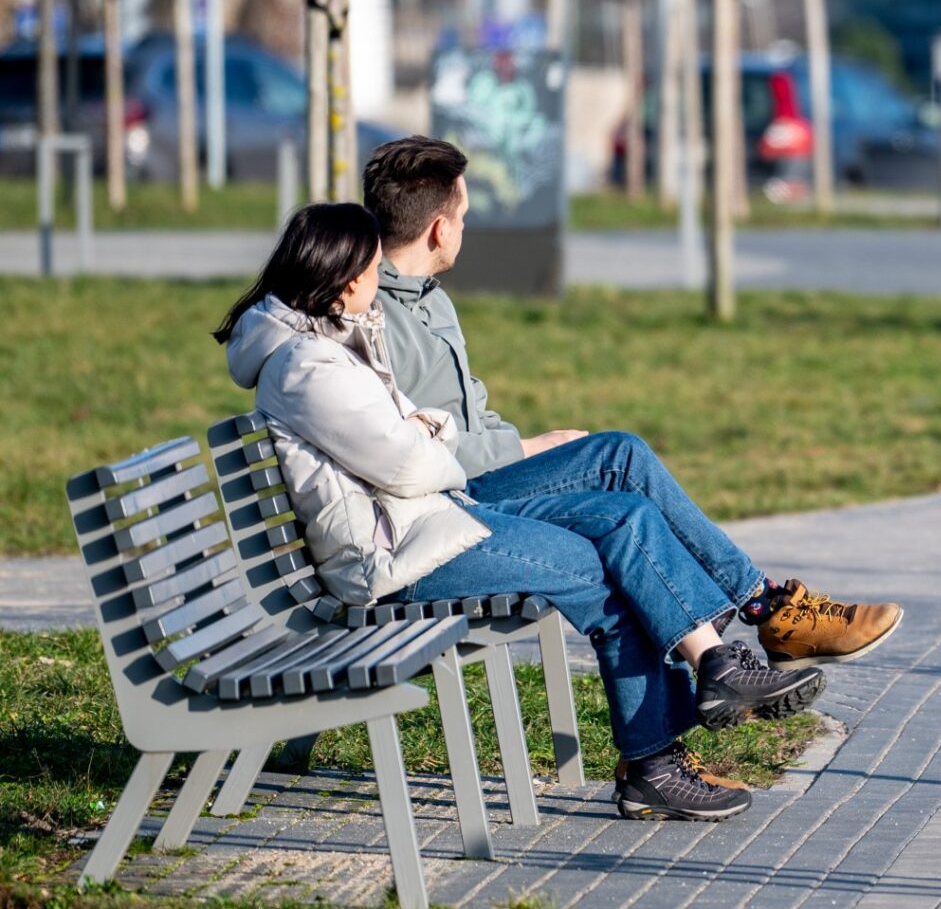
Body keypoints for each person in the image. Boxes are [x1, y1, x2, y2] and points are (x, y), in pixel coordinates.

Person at [216, 203, 831, 822]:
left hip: (425, 521)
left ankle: (713, 673)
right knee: (600, 564)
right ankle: (657, 758)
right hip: (398, 557)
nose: (378, 283)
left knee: (623, 518)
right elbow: (410, 464)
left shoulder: (329, 341)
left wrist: (425, 435)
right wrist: (430, 439)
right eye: (374, 270)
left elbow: (418, 435)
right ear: (349, 278)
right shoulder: (307, 367)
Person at [359, 135, 904, 674]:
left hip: (482, 479)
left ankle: (752, 630)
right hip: (448, 506)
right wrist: (528, 446)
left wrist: (540, 454)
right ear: (439, 228)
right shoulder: (378, 319)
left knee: (617, 472)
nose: (465, 229)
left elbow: (472, 409)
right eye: (464, 217)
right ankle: (767, 612)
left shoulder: (432, 298)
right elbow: (411, 454)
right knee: (619, 460)